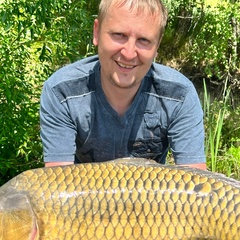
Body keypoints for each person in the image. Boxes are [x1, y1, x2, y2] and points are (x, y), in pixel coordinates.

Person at [40, 0, 206, 170]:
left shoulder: (179, 96)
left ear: (157, 45)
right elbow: (58, 186)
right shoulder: (61, 93)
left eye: (144, 40)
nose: (128, 53)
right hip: (84, 196)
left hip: (150, 196)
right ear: (96, 32)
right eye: (119, 35)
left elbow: (197, 185)